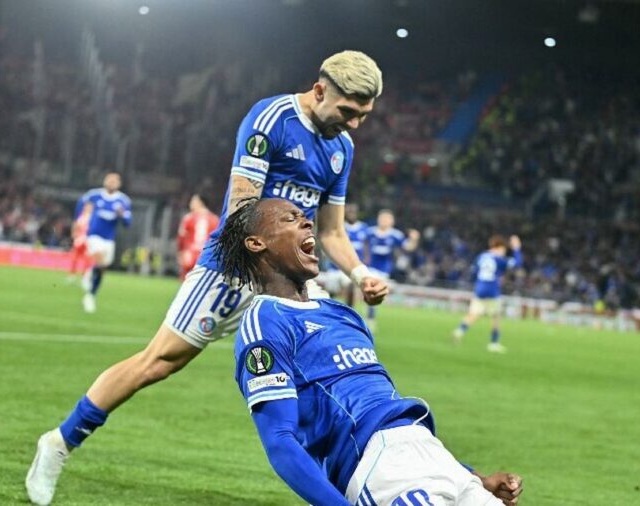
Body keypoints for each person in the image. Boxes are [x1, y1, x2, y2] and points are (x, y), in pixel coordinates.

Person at [26, 50, 390, 505]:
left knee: (327, 381)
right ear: (320, 90)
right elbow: (242, 206)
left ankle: (349, 485)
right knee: (158, 362)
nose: (355, 124)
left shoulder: (342, 148)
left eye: (363, 115)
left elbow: (332, 230)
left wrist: (359, 272)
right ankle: (59, 443)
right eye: (349, 112)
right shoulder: (271, 119)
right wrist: (263, 270)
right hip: (233, 268)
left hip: (287, 284)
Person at [219, 198, 524, 506]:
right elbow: (280, 442)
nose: (308, 222)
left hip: (434, 453)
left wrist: (475, 477)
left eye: (305, 216)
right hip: (379, 468)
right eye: (290, 219)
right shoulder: (265, 324)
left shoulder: (343, 314)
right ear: (257, 243)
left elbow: (385, 410)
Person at [452, 235, 522, 353]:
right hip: (492, 289)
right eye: (503, 249)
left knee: (474, 314)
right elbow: (517, 263)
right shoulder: (499, 259)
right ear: (499, 247)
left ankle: (459, 331)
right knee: (496, 317)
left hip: (479, 288)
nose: (504, 252)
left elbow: (473, 271)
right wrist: (517, 249)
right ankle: (494, 343)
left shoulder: (481, 256)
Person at [75, 172, 132, 313]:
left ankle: (90, 295)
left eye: (114, 181)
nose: (111, 183)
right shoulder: (94, 195)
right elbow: (81, 204)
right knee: (98, 257)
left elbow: (128, 222)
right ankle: (88, 274)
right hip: (94, 235)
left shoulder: (123, 201)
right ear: (105, 181)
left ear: (119, 184)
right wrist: (78, 220)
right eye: (109, 180)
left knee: (102, 267)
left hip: (109, 239)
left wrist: (121, 215)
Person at [364, 209, 419, 330]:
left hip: (384, 270)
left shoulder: (395, 234)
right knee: (370, 292)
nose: (384, 221)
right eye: (382, 218)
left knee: (374, 293)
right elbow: (359, 242)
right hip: (370, 268)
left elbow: (408, 247)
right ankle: (369, 319)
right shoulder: (370, 232)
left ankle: (370, 319)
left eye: (387, 219)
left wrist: (414, 239)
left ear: (392, 221)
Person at [317, 203, 368, 306]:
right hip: (335, 267)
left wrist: (366, 260)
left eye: (353, 211)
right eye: (348, 211)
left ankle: (350, 310)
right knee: (330, 292)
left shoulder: (364, 228)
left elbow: (367, 245)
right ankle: (329, 311)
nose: (351, 214)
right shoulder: (338, 227)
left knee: (351, 287)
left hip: (352, 267)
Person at [176, 193, 219, 279]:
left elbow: (181, 236)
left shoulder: (188, 218)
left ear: (200, 203)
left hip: (190, 255)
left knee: (187, 283)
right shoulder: (215, 219)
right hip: (207, 256)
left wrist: (180, 252)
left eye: (193, 201)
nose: (191, 203)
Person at [66, 204, 92, 283]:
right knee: (75, 258)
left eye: (88, 207)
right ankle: (72, 275)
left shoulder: (93, 217)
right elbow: (76, 225)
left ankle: (84, 276)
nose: (86, 208)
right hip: (79, 239)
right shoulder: (81, 216)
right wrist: (74, 233)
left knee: (87, 259)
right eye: (86, 207)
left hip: (88, 240)